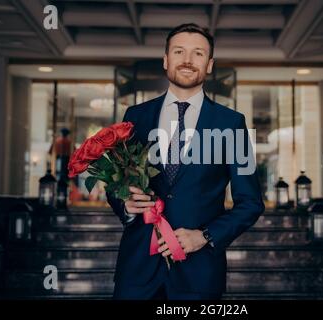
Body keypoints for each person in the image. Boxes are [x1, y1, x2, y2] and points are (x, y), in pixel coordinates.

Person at [106, 23, 264, 300]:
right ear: (166, 60)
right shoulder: (136, 116)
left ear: (210, 64)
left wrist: (203, 236)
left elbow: (251, 202)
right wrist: (126, 205)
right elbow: (117, 182)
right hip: (137, 271)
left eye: (198, 53)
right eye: (179, 51)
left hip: (199, 274)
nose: (188, 60)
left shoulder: (232, 123)